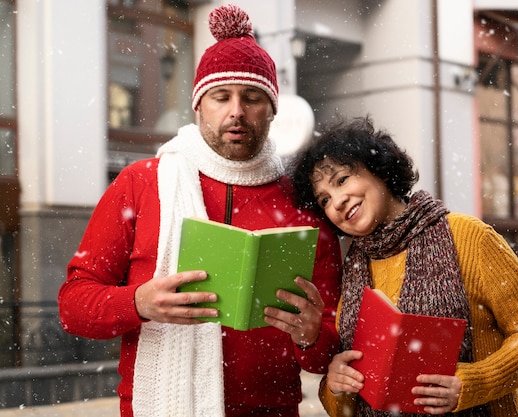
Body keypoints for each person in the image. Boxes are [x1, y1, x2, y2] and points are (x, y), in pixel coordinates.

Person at [58, 5, 342, 417]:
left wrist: (311, 336)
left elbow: (328, 352)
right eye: (220, 96)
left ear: (273, 109)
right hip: (154, 404)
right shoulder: (142, 183)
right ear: (199, 105)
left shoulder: (302, 199)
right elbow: (73, 305)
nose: (236, 112)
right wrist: (137, 303)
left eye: (253, 97)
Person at [288, 116, 518, 417]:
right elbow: (347, 397)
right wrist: (336, 385)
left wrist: (474, 382)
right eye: (324, 199)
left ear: (379, 171)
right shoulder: (353, 267)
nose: (336, 201)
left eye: (342, 180)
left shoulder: (468, 236)